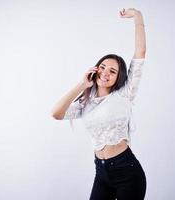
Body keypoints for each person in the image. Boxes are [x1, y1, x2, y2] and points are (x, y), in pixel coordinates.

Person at [51, 7, 147, 200]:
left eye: (112, 71)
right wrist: (82, 84)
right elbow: (56, 113)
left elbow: (140, 52)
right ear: (95, 70)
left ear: (118, 77)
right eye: (103, 67)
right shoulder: (87, 101)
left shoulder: (125, 94)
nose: (105, 73)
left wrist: (138, 17)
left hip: (127, 172)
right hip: (101, 173)